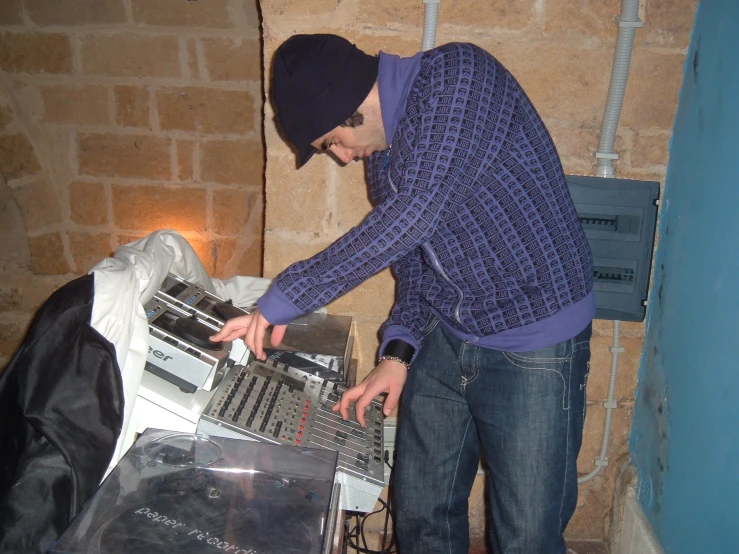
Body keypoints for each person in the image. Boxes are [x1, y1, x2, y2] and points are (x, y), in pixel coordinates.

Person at [210, 33, 594, 554]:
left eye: (332, 144)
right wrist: (399, 351)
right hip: (448, 331)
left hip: (535, 341)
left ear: (349, 107)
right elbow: (415, 256)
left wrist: (286, 294)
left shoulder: (460, 78)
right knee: (420, 515)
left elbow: (413, 215)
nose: (343, 159)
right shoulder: (385, 154)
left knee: (525, 536)